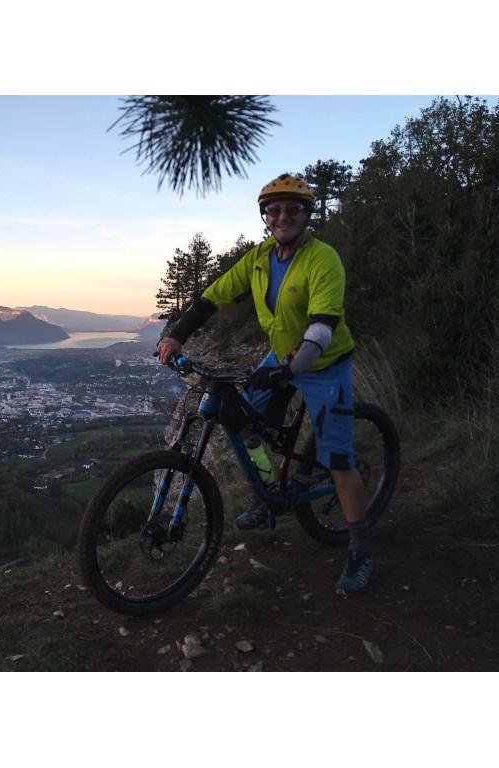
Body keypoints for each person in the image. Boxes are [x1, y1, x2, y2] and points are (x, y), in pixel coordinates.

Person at [156, 173, 373, 596]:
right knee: (242, 418)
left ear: (306, 214)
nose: (283, 216)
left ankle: (361, 551)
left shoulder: (322, 258)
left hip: (323, 362)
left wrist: (294, 368)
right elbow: (211, 298)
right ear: (265, 216)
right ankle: (270, 489)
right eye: (274, 209)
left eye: (293, 208)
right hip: (283, 355)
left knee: (339, 460)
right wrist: (176, 334)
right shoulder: (257, 260)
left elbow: (324, 325)